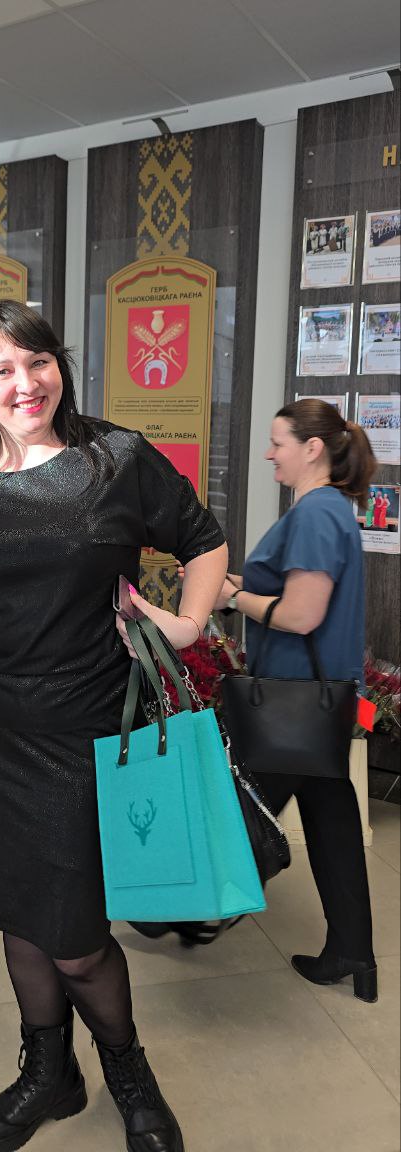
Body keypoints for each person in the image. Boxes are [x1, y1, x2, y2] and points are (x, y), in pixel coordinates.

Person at [0, 301, 227, 1152]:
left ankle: (128, 1072)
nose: (25, 383)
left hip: (88, 731)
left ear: (60, 366)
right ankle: (48, 1073)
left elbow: (202, 541)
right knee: (21, 915)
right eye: (2, 370)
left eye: (38, 361)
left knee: (77, 938)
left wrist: (186, 625)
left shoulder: (113, 459)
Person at [214, 398, 378, 1002]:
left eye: (278, 443)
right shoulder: (331, 511)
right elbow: (289, 592)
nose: (268, 454)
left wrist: (234, 601)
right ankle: (354, 952)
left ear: (312, 448)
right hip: (316, 704)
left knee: (239, 816)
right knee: (334, 825)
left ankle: (185, 914)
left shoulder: (315, 514)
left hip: (290, 702)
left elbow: (302, 615)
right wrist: (232, 586)